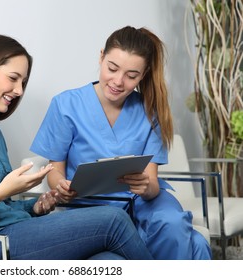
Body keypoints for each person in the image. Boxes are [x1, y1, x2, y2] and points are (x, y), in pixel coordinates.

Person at [0, 34, 153, 260]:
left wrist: (35, 206)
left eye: (23, 82)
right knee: (113, 220)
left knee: (108, 260)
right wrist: (0, 192)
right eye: (13, 79)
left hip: (7, 231)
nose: (19, 91)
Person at [30, 26, 212, 260]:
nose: (118, 81)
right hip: (91, 210)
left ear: (143, 75)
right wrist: (61, 187)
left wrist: (146, 186)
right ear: (101, 57)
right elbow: (54, 172)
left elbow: (153, 183)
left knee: (173, 225)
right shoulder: (65, 105)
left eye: (131, 75)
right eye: (112, 68)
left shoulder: (150, 110)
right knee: (196, 245)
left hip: (145, 203)